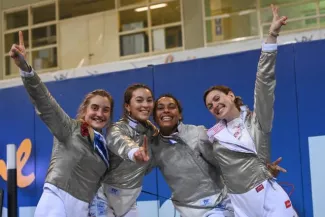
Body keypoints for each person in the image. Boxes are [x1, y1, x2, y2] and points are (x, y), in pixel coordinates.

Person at [203, 5, 297, 217]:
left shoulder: (258, 121)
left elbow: (264, 83)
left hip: (268, 197)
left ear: (231, 95)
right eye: (210, 106)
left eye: (217, 99)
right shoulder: (211, 136)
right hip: (239, 204)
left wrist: (272, 36)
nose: (215, 106)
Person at [9, 31, 113, 217]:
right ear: (84, 110)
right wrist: (26, 69)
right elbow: (44, 102)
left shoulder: (104, 148)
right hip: (57, 201)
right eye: (95, 108)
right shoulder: (70, 129)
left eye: (105, 110)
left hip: (83, 210)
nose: (99, 114)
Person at [151, 94, 234, 217]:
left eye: (171, 107)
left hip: (217, 205)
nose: (166, 110)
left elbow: (225, 163)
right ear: (155, 117)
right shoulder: (153, 146)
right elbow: (136, 172)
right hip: (187, 211)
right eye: (160, 108)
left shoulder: (197, 133)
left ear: (179, 115)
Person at [103, 84, 158, 217]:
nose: (145, 104)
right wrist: (134, 152)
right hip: (105, 198)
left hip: (130, 199)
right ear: (127, 106)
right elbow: (119, 141)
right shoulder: (117, 129)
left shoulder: (151, 131)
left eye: (149, 100)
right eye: (139, 100)